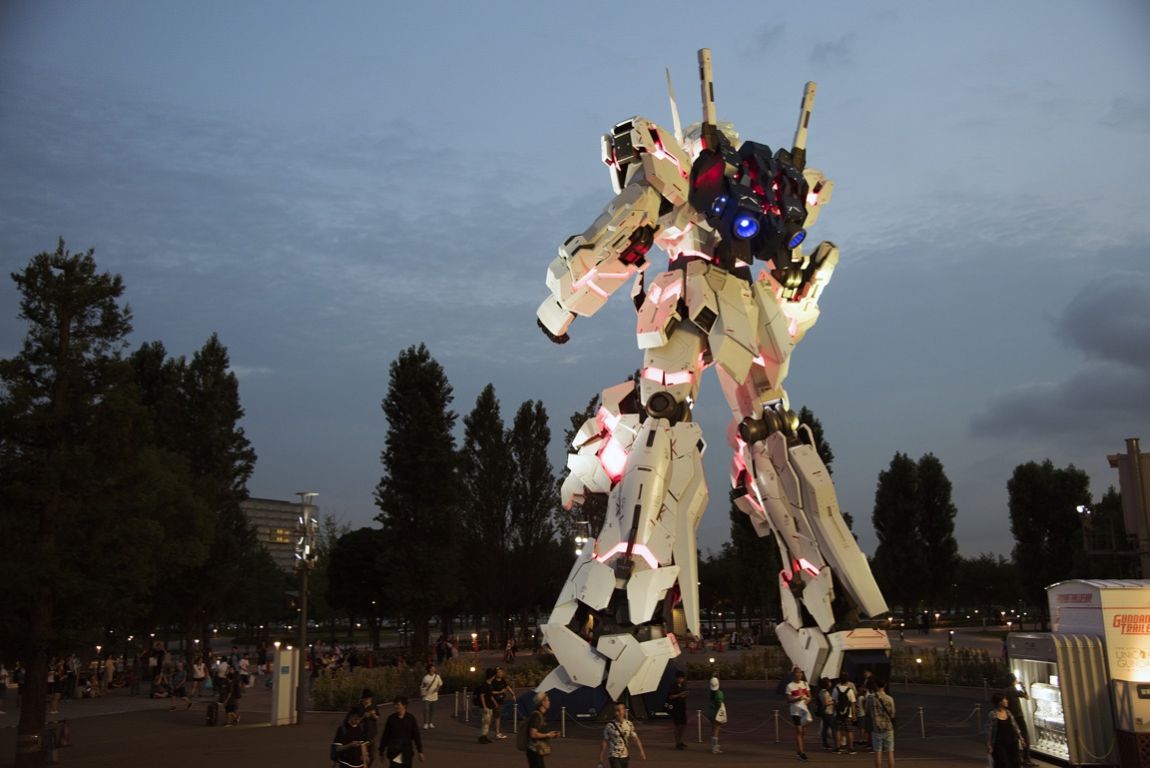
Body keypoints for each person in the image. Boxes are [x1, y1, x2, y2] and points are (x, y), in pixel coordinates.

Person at [598, 700, 646, 767]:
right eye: (615, 711)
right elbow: (604, 741)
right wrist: (601, 757)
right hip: (613, 755)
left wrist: (641, 751)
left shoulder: (629, 724)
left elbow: (635, 738)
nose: (617, 713)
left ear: (624, 711)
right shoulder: (609, 726)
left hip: (625, 755)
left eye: (619, 710)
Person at [380, 696, 424, 766]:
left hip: (406, 752)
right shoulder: (391, 719)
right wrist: (381, 751)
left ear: (404, 705)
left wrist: (420, 751)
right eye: (395, 704)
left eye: (398, 704)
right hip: (394, 751)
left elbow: (416, 735)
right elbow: (385, 735)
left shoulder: (411, 719)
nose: (395, 706)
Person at [1005, 674, 1037, 767]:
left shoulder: (1006, 691)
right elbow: (1027, 697)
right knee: (1024, 737)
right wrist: (1023, 686)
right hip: (1018, 717)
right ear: (1014, 680)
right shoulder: (1014, 690)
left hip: (1011, 717)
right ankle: (1027, 759)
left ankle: (1016, 758)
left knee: (1014, 738)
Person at [988, 693, 1024, 768]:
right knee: (1003, 763)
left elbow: (1015, 726)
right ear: (1000, 702)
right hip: (1000, 744)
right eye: (1005, 700)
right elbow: (990, 730)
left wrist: (1020, 738)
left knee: (1015, 762)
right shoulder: (993, 715)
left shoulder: (1008, 713)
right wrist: (989, 745)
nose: (1007, 701)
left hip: (1012, 742)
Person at [525, 691, 560, 768]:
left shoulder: (541, 715)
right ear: (542, 703)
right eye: (547, 700)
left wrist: (550, 734)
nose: (549, 702)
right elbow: (533, 734)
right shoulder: (536, 716)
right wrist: (548, 735)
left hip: (537, 750)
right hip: (534, 750)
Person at [785, 666, 813, 761]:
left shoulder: (805, 684)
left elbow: (810, 697)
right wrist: (798, 698)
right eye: (797, 672)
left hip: (804, 711)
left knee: (803, 731)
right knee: (799, 731)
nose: (799, 674)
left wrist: (807, 701)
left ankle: (799, 749)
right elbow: (788, 700)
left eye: (801, 672)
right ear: (794, 674)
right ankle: (802, 752)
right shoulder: (790, 686)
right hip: (795, 711)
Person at [867, 679, 896, 768]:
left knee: (877, 752)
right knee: (890, 752)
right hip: (888, 727)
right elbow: (893, 714)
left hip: (876, 727)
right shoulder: (889, 699)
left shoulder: (870, 698)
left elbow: (867, 710)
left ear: (876, 686)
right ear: (885, 686)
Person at [833, 673, 857, 754]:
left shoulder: (836, 689)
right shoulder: (850, 690)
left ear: (840, 680)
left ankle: (838, 747)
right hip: (848, 713)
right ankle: (851, 748)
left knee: (838, 730)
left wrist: (835, 711)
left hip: (838, 713)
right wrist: (854, 714)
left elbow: (834, 702)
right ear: (847, 681)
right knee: (849, 731)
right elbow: (853, 703)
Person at [666, 669, 689, 750]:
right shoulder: (673, 686)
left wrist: (685, 695)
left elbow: (686, 694)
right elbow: (670, 696)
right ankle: (677, 742)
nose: (681, 680)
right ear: (677, 678)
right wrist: (679, 695)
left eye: (682, 678)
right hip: (675, 707)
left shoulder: (684, 685)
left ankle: (680, 740)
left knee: (683, 725)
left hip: (682, 706)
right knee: (677, 725)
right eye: (680, 678)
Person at [491, 666, 515, 739]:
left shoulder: (502, 680)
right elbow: (490, 692)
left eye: (502, 672)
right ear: (496, 673)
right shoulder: (493, 681)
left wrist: (513, 694)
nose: (501, 674)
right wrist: (500, 692)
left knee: (498, 716)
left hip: (501, 700)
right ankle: (497, 733)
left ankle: (497, 732)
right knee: (497, 717)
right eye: (499, 672)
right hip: (495, 701)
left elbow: (507, 686)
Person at [360, 689, 381, 766]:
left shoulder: (374, 705)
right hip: (362, 735)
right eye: (367, 698)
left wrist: (373, 715)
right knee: (363, 756)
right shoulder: (359, 707)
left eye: (370, 698)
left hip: (372, 734)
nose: (369, 700)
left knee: (372, 756)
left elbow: (377, 717)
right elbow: (354, 720)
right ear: (363, 698)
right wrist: (363, 716)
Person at [705, 675, 726, 754]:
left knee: (713, 729)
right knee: (716, 730)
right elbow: (719, 704)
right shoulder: (719, 693)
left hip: (710, 713)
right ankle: (715, 747)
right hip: (716, 713)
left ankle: (714, 745)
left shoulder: (710, 692)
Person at [419, 663, 443, 729]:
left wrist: (437, 688)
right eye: (432, 668)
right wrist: (423, 693)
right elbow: (423, 686)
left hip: (434, 696)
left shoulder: (437, 676)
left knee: (432, 710)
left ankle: (431, 722)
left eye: (434, 668)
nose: (434, 669)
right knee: (426, 709)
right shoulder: (426, 678)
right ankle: (426, 723)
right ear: (429, 669)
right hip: (426, 696)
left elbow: (440, 684)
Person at [476, 667, 496, 743]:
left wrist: (494, 702)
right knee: (485, 722)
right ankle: (482, 737)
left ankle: (485, 736)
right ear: (492, 676)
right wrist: (484, 706)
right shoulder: (484, 685)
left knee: (488, 722)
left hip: (489, 705)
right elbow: (482, 696)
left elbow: (490, 695)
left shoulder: (490, 684)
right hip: (485, 706)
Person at [817, 677, 836, 750]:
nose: (830, 683)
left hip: (824, 712)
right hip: (828, 712)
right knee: (833, 728)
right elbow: (825, 703)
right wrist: (833, 702)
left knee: (825, 728)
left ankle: (825, 743)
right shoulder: (825, 692)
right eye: (829, 682)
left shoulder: (821, 691)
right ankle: (836, 744)